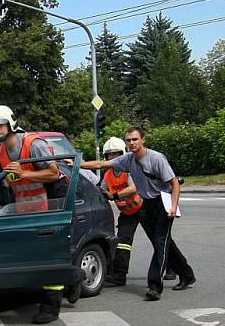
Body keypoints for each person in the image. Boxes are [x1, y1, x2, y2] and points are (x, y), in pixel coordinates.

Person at [0, 104, 65, 324]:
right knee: (28, 257)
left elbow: (54, 174)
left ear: (11, 123)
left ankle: (50, 307)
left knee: (46, 259)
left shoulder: (33, 145)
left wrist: (24, 171)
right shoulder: (0, 155)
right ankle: (71, 280)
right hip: (22, 211)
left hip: (47, 208)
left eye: (0, 124)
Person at [78, 126, 195, 301]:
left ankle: (154, 286)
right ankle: (186, 274)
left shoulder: (156, 159)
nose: (132, 143)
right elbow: (100, 164)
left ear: (143, 140)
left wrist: (173, 206)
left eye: (135, 139)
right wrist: (76, 164)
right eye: (129, 140)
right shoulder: (127, 160)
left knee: (160, 242)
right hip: (146, 205)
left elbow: (174, 183)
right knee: (162, 242)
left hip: (162, 202)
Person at [99, 137, 148, 287]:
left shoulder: (130, 168)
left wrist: (115, 195)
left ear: (124, 153)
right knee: (122, 243)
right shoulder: (108, 174)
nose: (113, 157)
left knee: (160, 241)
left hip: (144, 209)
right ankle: (119, 276)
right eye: (110, 155)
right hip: (127, 213)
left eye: (116, 154)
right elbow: (102, 190)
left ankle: (175, 268)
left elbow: (134, 187)